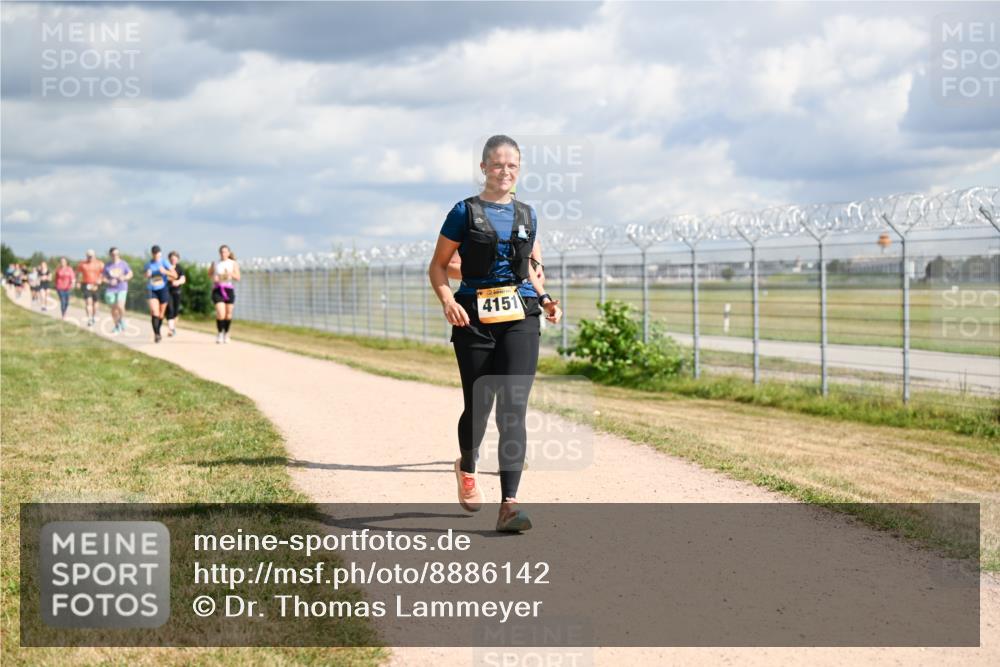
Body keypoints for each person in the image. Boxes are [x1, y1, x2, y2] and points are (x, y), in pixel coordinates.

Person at [427, 134, 562, 533]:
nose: (505, 172)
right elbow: (437, 266)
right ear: (484, 168)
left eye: (513, 166)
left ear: (518, 171)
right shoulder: (463, 212)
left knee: (513, 408)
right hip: (473, 318)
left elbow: (533, 267)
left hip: (522, 316)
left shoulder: (527, 215)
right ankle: (467, 467)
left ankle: (509, 504)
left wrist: (547, 298)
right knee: (479, 406)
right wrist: (448, 300)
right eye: (498, 165)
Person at [144, 245, 177, 343]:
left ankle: (158, 331)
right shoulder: (148, 264)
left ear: (160, 253)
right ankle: (157, 334)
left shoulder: (164, 262)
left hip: (163, 289)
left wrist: (165, 271)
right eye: (154, 253)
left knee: (161, 314)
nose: (156, 255)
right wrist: (147, 274)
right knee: (155, 312)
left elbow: (175, 275)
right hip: (152, 290)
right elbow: (144, 276)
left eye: (158, 253)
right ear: (152, 254)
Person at [208, 245, 240, 344]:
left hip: (229, 290)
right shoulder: (215, 263)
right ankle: (220, 333)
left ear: (229, 253)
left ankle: (227, 332)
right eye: (222, 252)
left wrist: (230, 274)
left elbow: (238, 277)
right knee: (221, 313)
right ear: (219, 253)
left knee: (228, 314)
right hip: (218, 289)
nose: (223, 254)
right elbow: (209, 274)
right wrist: (214, 278)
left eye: (225, 252)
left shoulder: (233, 263)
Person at [102, 247, 133, 333]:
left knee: (120, 306)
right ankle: (117, 325)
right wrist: (109, 281)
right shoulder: (107, 265)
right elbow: (103, 277)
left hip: (122, 288)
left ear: (119, 254)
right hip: (111, 289)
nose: (115, 256)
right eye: (113, 254)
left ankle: (121, 320)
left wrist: (124, 277)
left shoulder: (123, 264)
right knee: (114, 309)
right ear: (110, 255)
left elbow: (130, 273)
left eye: (117, 254)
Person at [76, 250, 105, 326]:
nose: (89, 258)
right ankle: (89, 318)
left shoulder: (100, 264)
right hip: (86, 284)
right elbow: (79, 274)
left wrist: (100, 280)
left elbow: (104, 274)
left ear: (94, 256)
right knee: (88, 301)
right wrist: (78, 282)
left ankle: (94, 317)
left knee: (95, 302)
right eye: (88, 256)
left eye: (91, 256)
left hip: (96, 285)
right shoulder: (82, 264)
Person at [165, 251, 186, 337]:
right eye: (172, 258)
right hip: (167, 291)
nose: (173, 260)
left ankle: (173, 328)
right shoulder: (166, 267)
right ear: (169, 259)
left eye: (175, 258)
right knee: (170, 309)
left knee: (176, 312)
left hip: (177, 291)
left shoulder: (180, 268)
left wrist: (177, 282)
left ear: (178, 259)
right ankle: (171, 329)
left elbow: (183, 279)